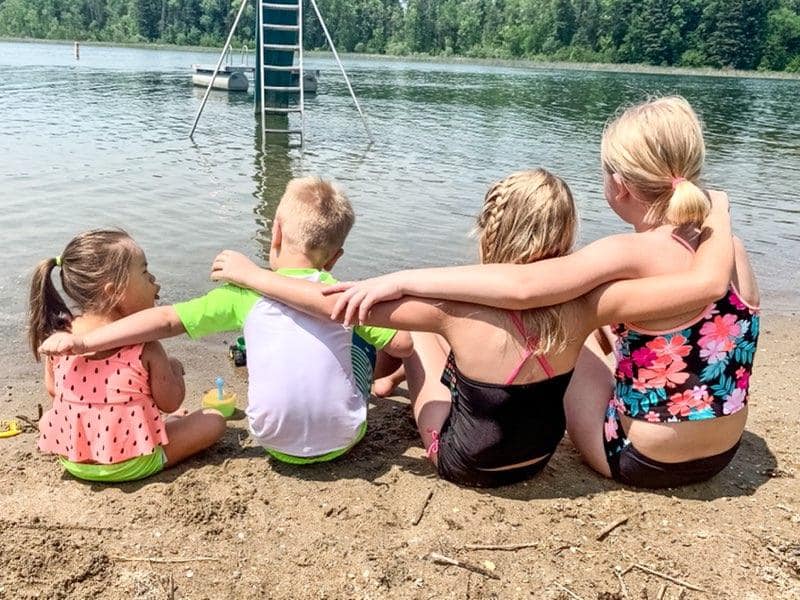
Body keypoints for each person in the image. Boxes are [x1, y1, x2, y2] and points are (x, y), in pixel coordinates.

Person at [317, 96, 760, 488]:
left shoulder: (628, 252)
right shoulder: (730, 250)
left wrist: (403, 279)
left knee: (562, 334)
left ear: (620, 185)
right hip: (721, 455)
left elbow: (524, 286)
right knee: (589, 328)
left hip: (639, 458)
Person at [207, 166, 734, 488]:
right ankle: (388, 383)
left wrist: (256, 278)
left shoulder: (451, 308)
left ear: (489, 228)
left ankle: (390, 384)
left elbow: (336, 304)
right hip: (538, 458)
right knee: (588, 344)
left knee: (420, 343)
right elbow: (693, 291)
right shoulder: (591, 299)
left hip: (465, 462)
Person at [39, 178, 412, 465]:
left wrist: (86, 343)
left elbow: (166, 319)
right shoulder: (346, 295)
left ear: (276, 233)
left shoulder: (240, 294)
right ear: (334, 259)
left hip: (273, 440)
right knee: (361, 339)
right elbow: (403, 345)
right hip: (344, 438)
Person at [28, 229, 226, 483]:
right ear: (113, 291)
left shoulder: (61, 338)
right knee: (214, 420)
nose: (155, 281)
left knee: (49, 418)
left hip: (73, 459)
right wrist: (175, 370)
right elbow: (171, 402)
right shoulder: (144, 346)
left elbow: (54, 391)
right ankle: (158, 441)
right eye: (145, 272)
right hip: (133, 463)